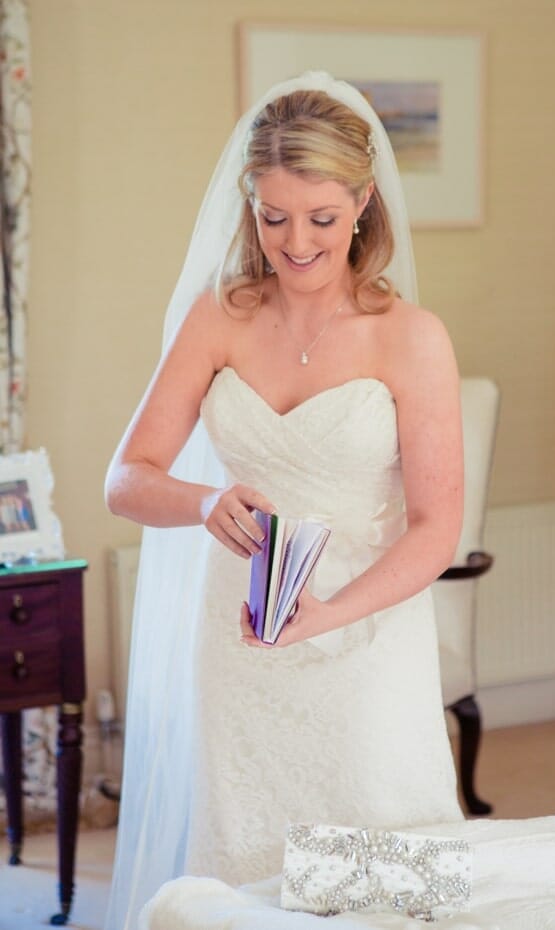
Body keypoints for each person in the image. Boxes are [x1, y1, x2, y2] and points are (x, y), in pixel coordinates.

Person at [102, 73, 464, 929]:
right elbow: (126, 478)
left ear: (364, 204)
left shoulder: (411, 338)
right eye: (273, 217)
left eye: (321, 219)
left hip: (365, 637)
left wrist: (329, 614)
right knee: (244, 872)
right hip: (243, 641)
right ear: (250, 206)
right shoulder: (217, 319)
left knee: (383, 882)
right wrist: (203, 503)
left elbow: (436, 527)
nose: (295, 243)